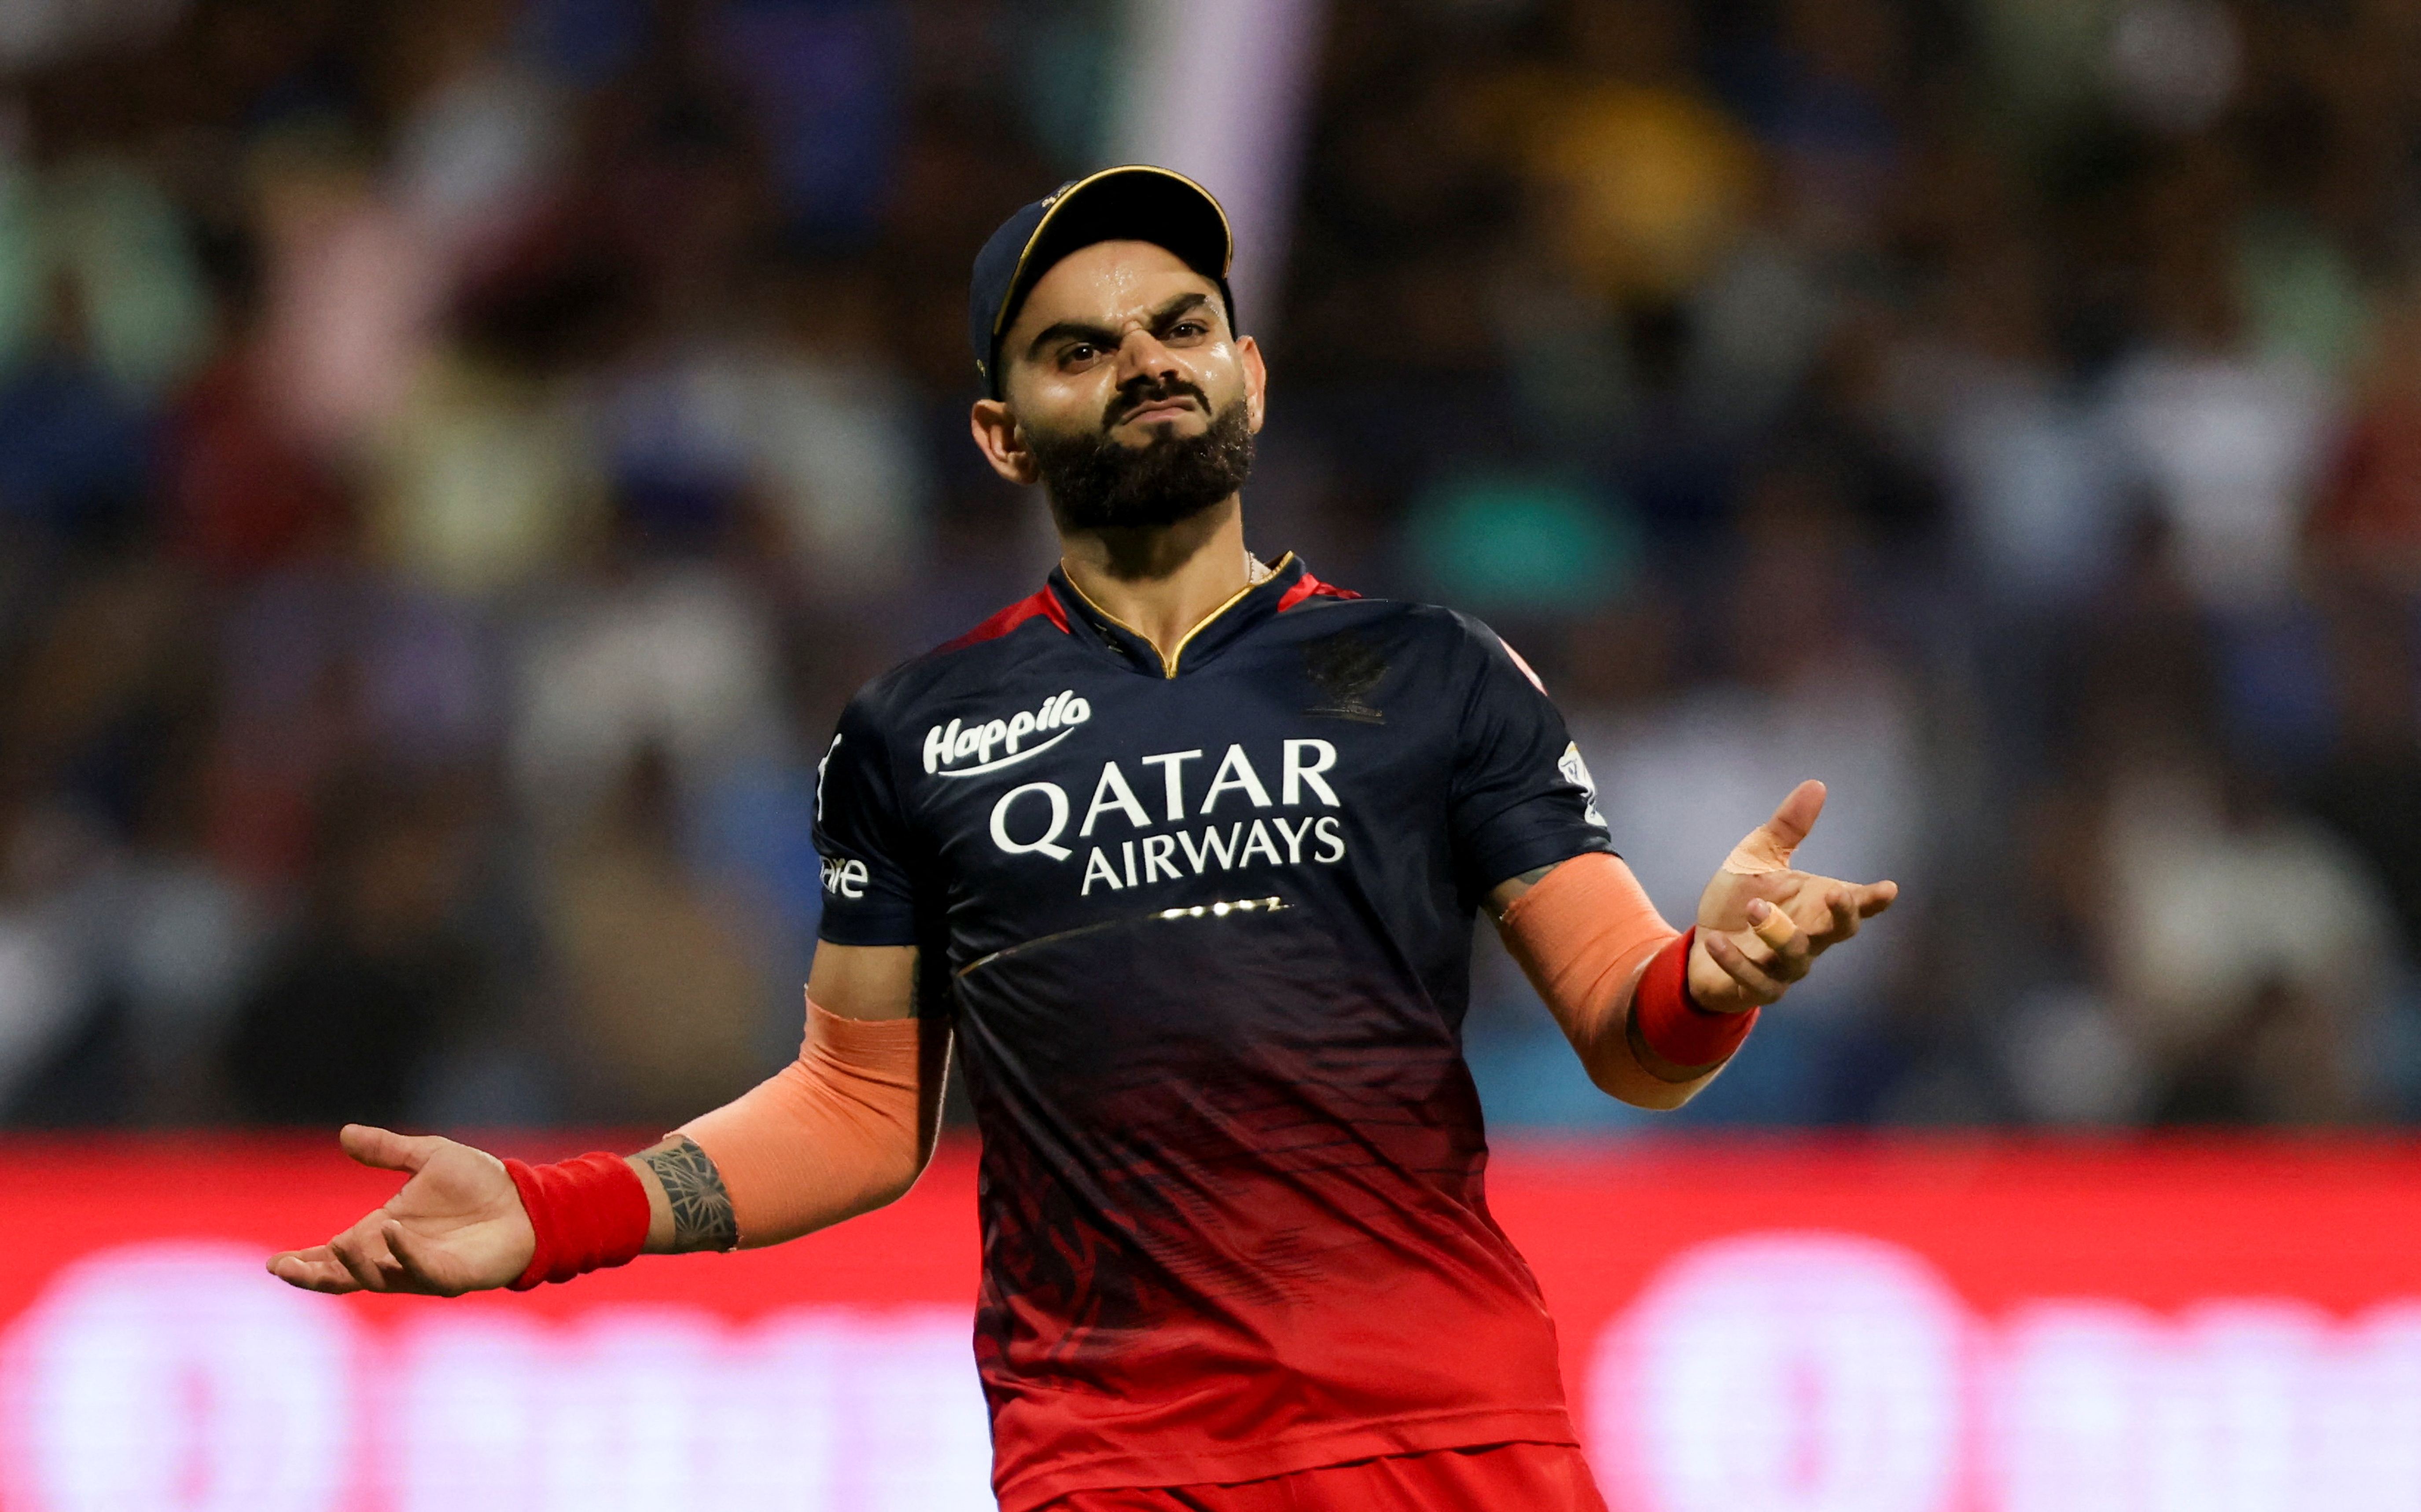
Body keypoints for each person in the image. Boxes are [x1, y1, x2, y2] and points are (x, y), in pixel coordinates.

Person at [269, 166, 1897, 1512]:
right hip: (1120, 1467)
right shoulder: (910, 731)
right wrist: (561, 1211)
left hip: (1447, 1442)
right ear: (1001, 431)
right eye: (1079, 347)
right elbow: (857, 1112)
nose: (1145, 360)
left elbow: (1631, 1031)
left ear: (1251, 371)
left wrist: (1722, 970)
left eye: (1183, 324)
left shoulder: (1436, 674)